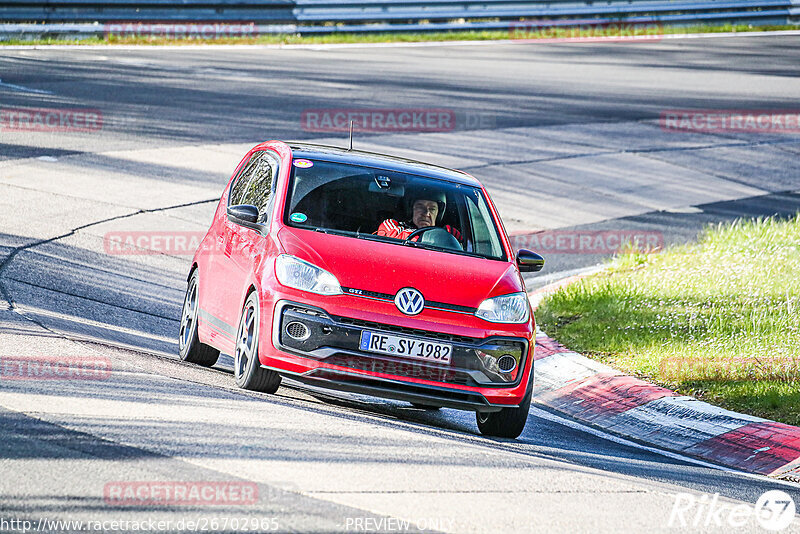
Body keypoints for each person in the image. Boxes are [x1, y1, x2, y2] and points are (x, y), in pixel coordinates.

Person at [376, 187, 462, 242]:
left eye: (432, 209)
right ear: (411, 209)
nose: (426, 214)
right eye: (420, 207)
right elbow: (391, 235)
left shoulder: (449, 233)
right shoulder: (392, 226)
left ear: (438, 214)